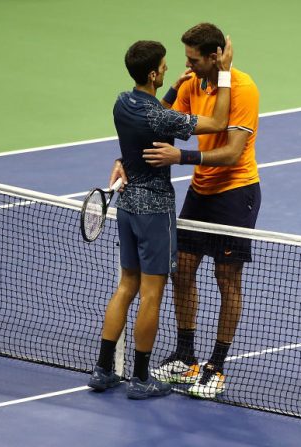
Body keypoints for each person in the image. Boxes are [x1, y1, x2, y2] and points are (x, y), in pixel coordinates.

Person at [111, 23, 260, 399]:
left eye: (194, 59)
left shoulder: (242, 88)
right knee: (182, 273)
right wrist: (126, 157)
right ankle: (186, 354)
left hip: (234, 191)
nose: (188, 65)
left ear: (215, 56)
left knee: (227, 280)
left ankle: (217, 364)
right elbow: (151, 121)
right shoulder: (194, 84)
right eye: (185, 59)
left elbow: (231, 153)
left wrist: (182, 156)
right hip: (200, 191)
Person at [88, 38, 233, 400]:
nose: (170, 67)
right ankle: (140, 377)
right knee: (152, 294)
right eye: (165, 66)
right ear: (152, 72)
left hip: (127, 207)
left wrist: (173, 87)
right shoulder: (159, 116)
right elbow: (216, 122)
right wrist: (226, 75)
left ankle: (103, 370)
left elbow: (153, 112)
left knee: (125, 288)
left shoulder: (122, 103)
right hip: (155, 213)